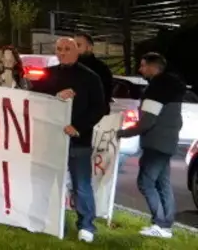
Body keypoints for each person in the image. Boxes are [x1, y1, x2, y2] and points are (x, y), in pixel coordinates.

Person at [31, 37, 106, 244]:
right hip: (50, 139)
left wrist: (78, 128)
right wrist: (56, 95)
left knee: (81, 184)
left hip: (78, 141)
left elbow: (100, 108)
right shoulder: (49, 74)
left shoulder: (91, 77)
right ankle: (45, 219)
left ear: (76, 51)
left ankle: (86, 226)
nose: (62, 53)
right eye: (59, 49)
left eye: (67, 49)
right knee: (46, 180)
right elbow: (34, 97)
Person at [117, 52, 186, 239]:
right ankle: (166, 227)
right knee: (162, 183)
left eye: (143, 65)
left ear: (153, 67)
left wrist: (122, 133)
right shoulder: (173, 89)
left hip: (155, 143)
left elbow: (147, 122)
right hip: (168, 142)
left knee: (146, 182)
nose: (140, 69)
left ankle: (159, 223)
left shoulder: (156, 89)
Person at [73, 32, 114, 114]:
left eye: (78, 45)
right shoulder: (69, 66)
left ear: (89, 47)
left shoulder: (101, 69)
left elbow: (104, 96)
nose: (75, 49)